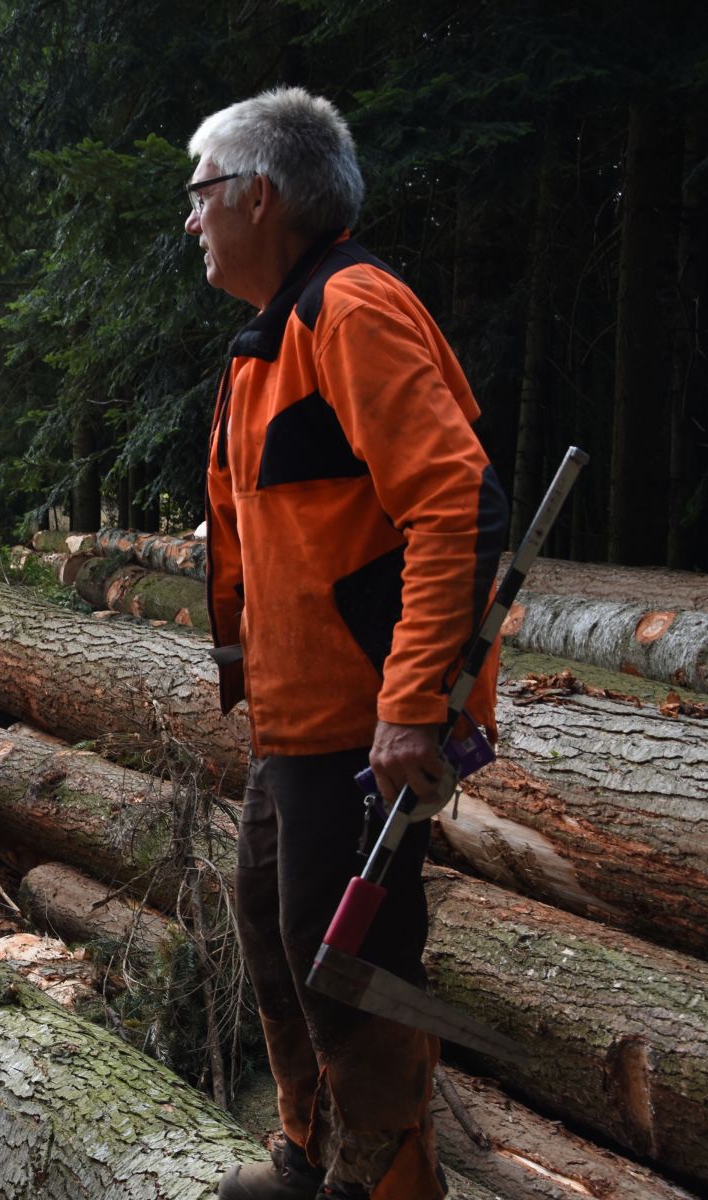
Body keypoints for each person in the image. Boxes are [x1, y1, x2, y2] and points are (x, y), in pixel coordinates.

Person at [187, 89, 508, 1200]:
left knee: (355, 970)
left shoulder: (351, 310)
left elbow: (456, 504)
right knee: (280, 944)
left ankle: (391, 1188)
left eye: (201, 192)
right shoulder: (264, 343)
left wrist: (415, 701)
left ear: (259, 194)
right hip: (297, 720)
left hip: (363, 726)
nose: (192, 220)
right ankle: (311, 1157)